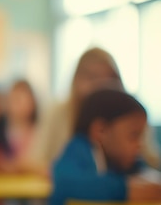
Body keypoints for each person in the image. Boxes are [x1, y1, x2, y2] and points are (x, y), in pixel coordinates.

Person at [37, 89, 161, 205]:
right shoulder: (79, 148)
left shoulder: (115, 161)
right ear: (100, 130)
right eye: (133, 135)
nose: (139, 145)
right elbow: (66, 183)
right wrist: (127, 189)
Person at [29, 47, 160, 175]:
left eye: (110, 78)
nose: (102, 84)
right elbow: (39, 162)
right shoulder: (59, 115)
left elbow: (149, 159)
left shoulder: (131, 116)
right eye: (92, 77)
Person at [5, 79, 38, 165]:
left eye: (24, 100)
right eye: (16, 100)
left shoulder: (39, 132)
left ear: (33, 102)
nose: (19, 106)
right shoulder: (2, 132)